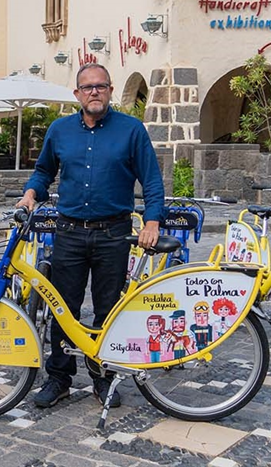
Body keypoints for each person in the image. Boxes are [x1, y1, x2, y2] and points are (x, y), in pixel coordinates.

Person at [17, 63, 163, 409]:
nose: (94, 92)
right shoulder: (60, 130)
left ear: (110, 91)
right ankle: (59, 378)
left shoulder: (132, 130)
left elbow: (152, 180)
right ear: (77, 94)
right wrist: (30, 194)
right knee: (62, 307)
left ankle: (102, 377)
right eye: (87, 87)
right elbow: (43, 171)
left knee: (107, 309)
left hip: (113, 233)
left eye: (100, 86)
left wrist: (153, 221)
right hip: (68, 232)